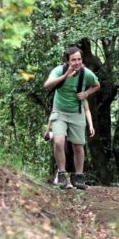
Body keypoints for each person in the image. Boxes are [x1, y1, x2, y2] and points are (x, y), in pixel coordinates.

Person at [44, 46, 100, 189]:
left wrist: (86, 94)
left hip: (77, 112)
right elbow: (47, 85)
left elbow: (96, 85)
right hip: (60, 112)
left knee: (78, 146)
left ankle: (79, 177)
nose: (77, 62)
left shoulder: (86, 73)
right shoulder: (59, 70)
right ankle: (62, 174)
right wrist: (65, 76)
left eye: (79, 59)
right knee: (58, 142)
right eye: (73, 60)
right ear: (67, 61)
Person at [45, 100, 95, 186]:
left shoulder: (81, 97)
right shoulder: (61, 97)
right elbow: (54, 112)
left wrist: (91, 125)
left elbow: (87, 110)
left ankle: (75, 179)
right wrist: (48, 129)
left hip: (74, 133)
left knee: (76, 150)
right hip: (63, 136)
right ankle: (61, 178)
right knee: (60, 147)